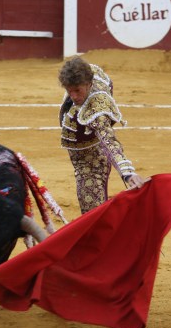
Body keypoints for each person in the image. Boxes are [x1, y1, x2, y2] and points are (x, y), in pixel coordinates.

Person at [58, 56, 147, 214]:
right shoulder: (90, 72)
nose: (74, 96)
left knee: (92, 218)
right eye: (69, 90)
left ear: (89, 84)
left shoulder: (97, 109)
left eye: (77, 90)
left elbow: (109, 142)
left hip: (91, 161)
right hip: (83, 154)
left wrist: (127, 173)